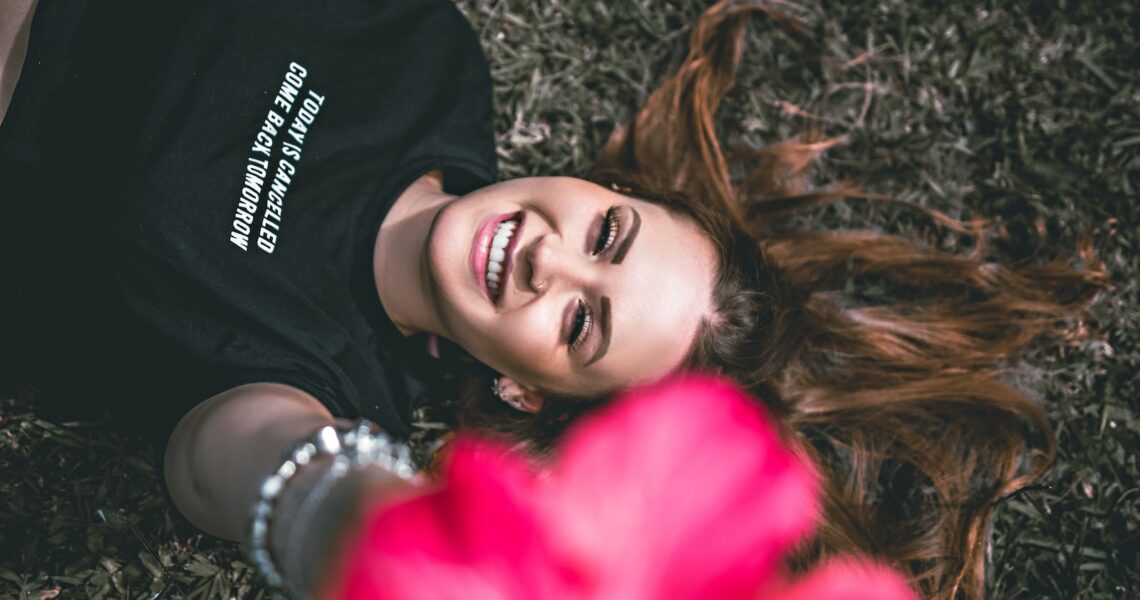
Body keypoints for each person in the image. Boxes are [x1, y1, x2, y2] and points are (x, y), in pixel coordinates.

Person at [0, 1, 1106, 599]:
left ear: (525, 391)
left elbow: (263, 471)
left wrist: (410, 545)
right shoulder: (426, 55)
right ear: (605, 189)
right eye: (608, 236)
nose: (549, 263)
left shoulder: (319, 378)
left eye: (582, 324)